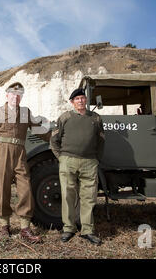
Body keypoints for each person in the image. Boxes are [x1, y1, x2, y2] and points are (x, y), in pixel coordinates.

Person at [0, 82, 43, 243]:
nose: (16, 97)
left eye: (19, 95)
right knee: (3, 190)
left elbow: (38, 129)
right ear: (7, 95)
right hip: (2, 153)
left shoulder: (25, 112)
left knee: (25, 189)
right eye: (13, 94)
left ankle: (25, 228)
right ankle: (5, 226)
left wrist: (55, 136)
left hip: (20, 153)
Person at [50, 88, 105, 245]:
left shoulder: (95, 118)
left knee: (89, 196)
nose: (80, 101)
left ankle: (87, 230)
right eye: (77, 99)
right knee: (68, 195)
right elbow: (54, 140)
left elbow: (101, 141)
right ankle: (68, 228)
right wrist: (61, 158)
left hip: (90, 162)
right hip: (68, 161)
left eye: (82, 98)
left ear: (86, 100)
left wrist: (97, 159)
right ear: (72, 102)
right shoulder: (65, 117)